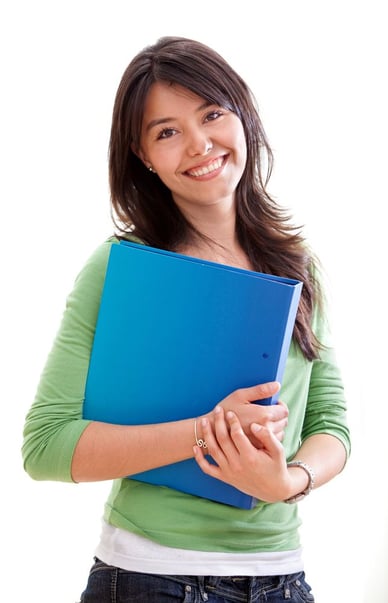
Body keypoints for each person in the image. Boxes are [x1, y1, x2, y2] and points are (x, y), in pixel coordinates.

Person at [22, 36, 350, 602]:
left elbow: (331, 424)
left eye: (212, 114)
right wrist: (209, 432)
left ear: (242, 115)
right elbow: (46, 446)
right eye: (167, 132)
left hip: (282, 581)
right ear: (143, 155)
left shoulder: (299, 267)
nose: (199, 145)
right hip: (148, 578)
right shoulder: (121, 269)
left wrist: (288, 482)